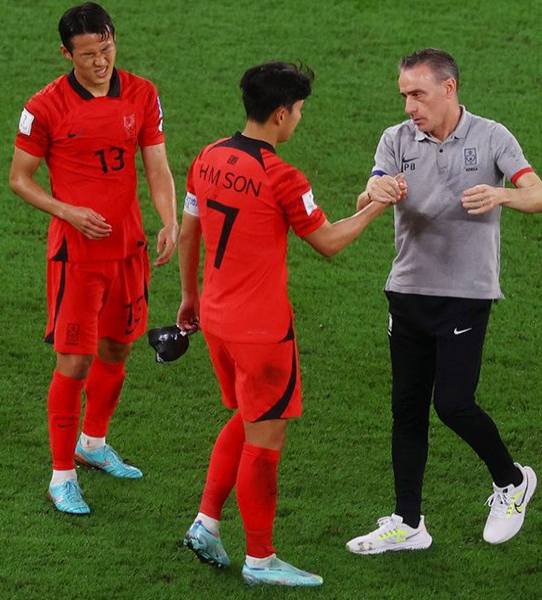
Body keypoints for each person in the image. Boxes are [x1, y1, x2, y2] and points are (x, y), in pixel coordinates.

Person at [176, 61, 402, 587]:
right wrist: (377, 206)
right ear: (281, 114)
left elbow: (189, 234)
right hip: (262, 330)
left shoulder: (206, 157)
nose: (299, 119)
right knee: (266, 438)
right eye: (299, 111)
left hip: (214, 317)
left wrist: (189, 297)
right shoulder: (280, 176)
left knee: (248, 417)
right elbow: (327, 241)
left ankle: (206, 523)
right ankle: (261, 559)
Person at [345, 48, 542, 555]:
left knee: (454, 403)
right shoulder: (395, 140)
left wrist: (501, 195)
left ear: (449, 88)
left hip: (465, 294)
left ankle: (512, 482)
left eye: (417, 94)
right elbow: (363, 198)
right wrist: (378, 190)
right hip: (407, 290)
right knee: (407, 409)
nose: (409, 106)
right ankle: (408, 522)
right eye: (404, 95)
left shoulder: (491, 136)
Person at [8, 3, 178, 515]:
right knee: (75, 359)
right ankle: (62, 475)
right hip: (76, 256)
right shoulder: (45, 106)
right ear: (66, 54)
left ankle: (94, 443)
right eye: (88, 56)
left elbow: (158, 166)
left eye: (106, 50)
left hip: (128, 249)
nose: (100, 62)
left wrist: (168, 221)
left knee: (118, 348)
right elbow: (20, 178)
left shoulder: (143, 93)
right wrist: (68, 211)